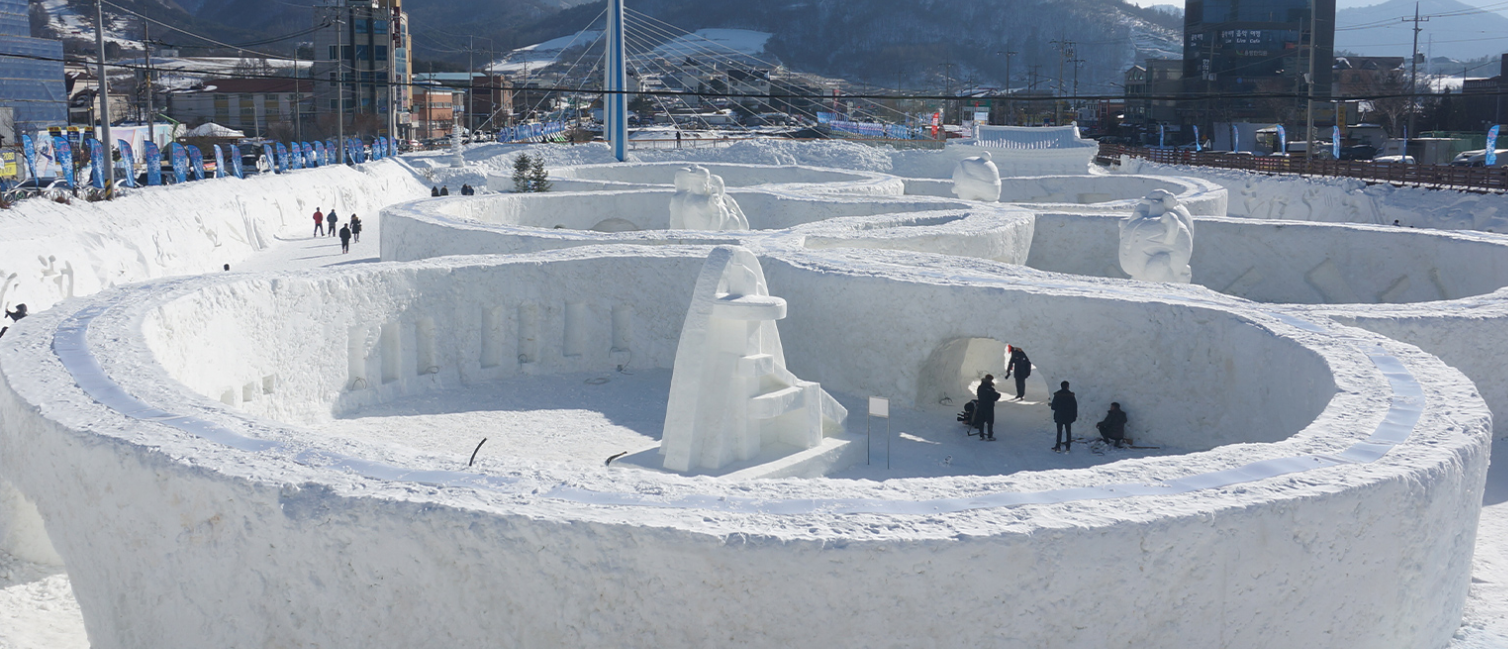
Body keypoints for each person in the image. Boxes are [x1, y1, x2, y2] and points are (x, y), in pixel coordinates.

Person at [1050, 380, 1078, 453]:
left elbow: (1053, 407)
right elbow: (1074, 407)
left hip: (1059, 416)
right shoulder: (1071, 395)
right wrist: (1074, 416)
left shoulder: (1057, 395)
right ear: (1068, 387)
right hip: (1068, 416)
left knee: (1059, 432)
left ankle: (1058, 447)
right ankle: (1068, 447)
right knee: (1068, 431)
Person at [974, 374, 1001, 441]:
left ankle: (981, 435)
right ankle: (989, 436)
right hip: (989, 407)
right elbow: (994, 397)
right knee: (990, 422)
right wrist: (998, 395)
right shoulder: (989, 388)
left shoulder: (980, 387)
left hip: (981, 406)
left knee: (981, 421)